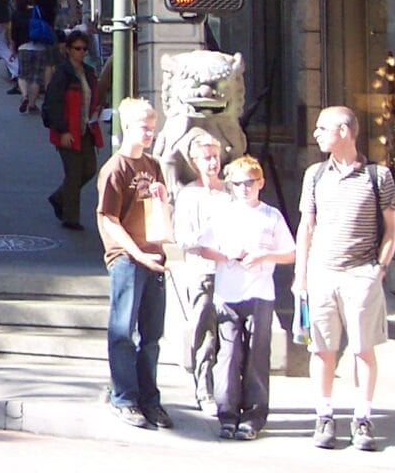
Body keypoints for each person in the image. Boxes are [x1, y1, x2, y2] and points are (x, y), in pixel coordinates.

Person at [294, 105, 395, 451]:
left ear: (344, 131)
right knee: (322, 349)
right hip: (322, 273)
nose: (315, 134)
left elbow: (391, 228)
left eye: (322, 128)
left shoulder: (378, 176)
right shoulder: (315, 175)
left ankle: (363, 418)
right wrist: (301, 274)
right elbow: (306, 226)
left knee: (362, 349)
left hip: (360, 275)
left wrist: (379, 270)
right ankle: (324, 415)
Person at [190, 155, 295, 441]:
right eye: (237, 184)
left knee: (257, 355)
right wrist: (228, 255)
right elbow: (204, 247)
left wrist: (265, 255)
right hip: (228, 293)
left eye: (249, 182)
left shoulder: (271, 215)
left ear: (260, 183)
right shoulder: (223, 214)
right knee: (228, 354)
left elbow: (290, 253)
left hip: (260, 292)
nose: (244, 188)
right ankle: (227, 414)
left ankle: (253, 416)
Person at [97, 96, 173, 429]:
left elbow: (158, 211)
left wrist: (163, 200)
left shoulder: (153, 165)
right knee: (123, 331)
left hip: (152, 255)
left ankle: (149, 398)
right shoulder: (115, 169)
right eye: (144, 127)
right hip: (127, 258)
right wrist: (136, 253)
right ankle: (124, 397)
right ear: (127, 127)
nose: (149, 133)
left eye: (152, 127)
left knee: (151, 334)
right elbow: (109, 219)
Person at [172, 131, 230, 415]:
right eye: (207, 158)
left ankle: (228, 390)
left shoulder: (231, 192)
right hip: (203, 272)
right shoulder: (189, 195)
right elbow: (183, 238)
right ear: (195, 162)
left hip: (231, 273)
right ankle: (204, 388)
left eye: (215, 157)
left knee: (230, 334)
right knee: (205, 332)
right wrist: (209, 242)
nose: (213, 163)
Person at [44, 29, 102, 230]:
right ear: (68, 50)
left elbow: (92, 97)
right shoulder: (63, 73)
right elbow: (54, 103)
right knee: (74, 173)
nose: (82, 52)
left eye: (84, 49)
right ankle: (71, 217)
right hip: (69, 130)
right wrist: (63, 131)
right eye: (77, 48)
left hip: (86, 128)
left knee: (89, 169)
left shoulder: (88, 72)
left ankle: (60, 198)